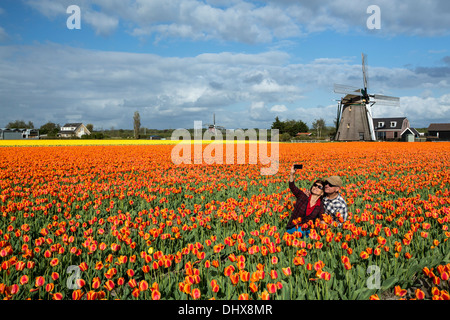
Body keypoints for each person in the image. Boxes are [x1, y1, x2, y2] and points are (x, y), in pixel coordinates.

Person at [285, 165, 325, 237]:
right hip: (294, 227)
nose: (316, 187)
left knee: (310, 234)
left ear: (322, 193)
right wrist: (292, 174)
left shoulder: (320, 206)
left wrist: (325, 226)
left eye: (320, 187)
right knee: (301, 231)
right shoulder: (303, 196)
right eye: (315, 185)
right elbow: (292, 186)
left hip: (307, 230)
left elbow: (322, 219)